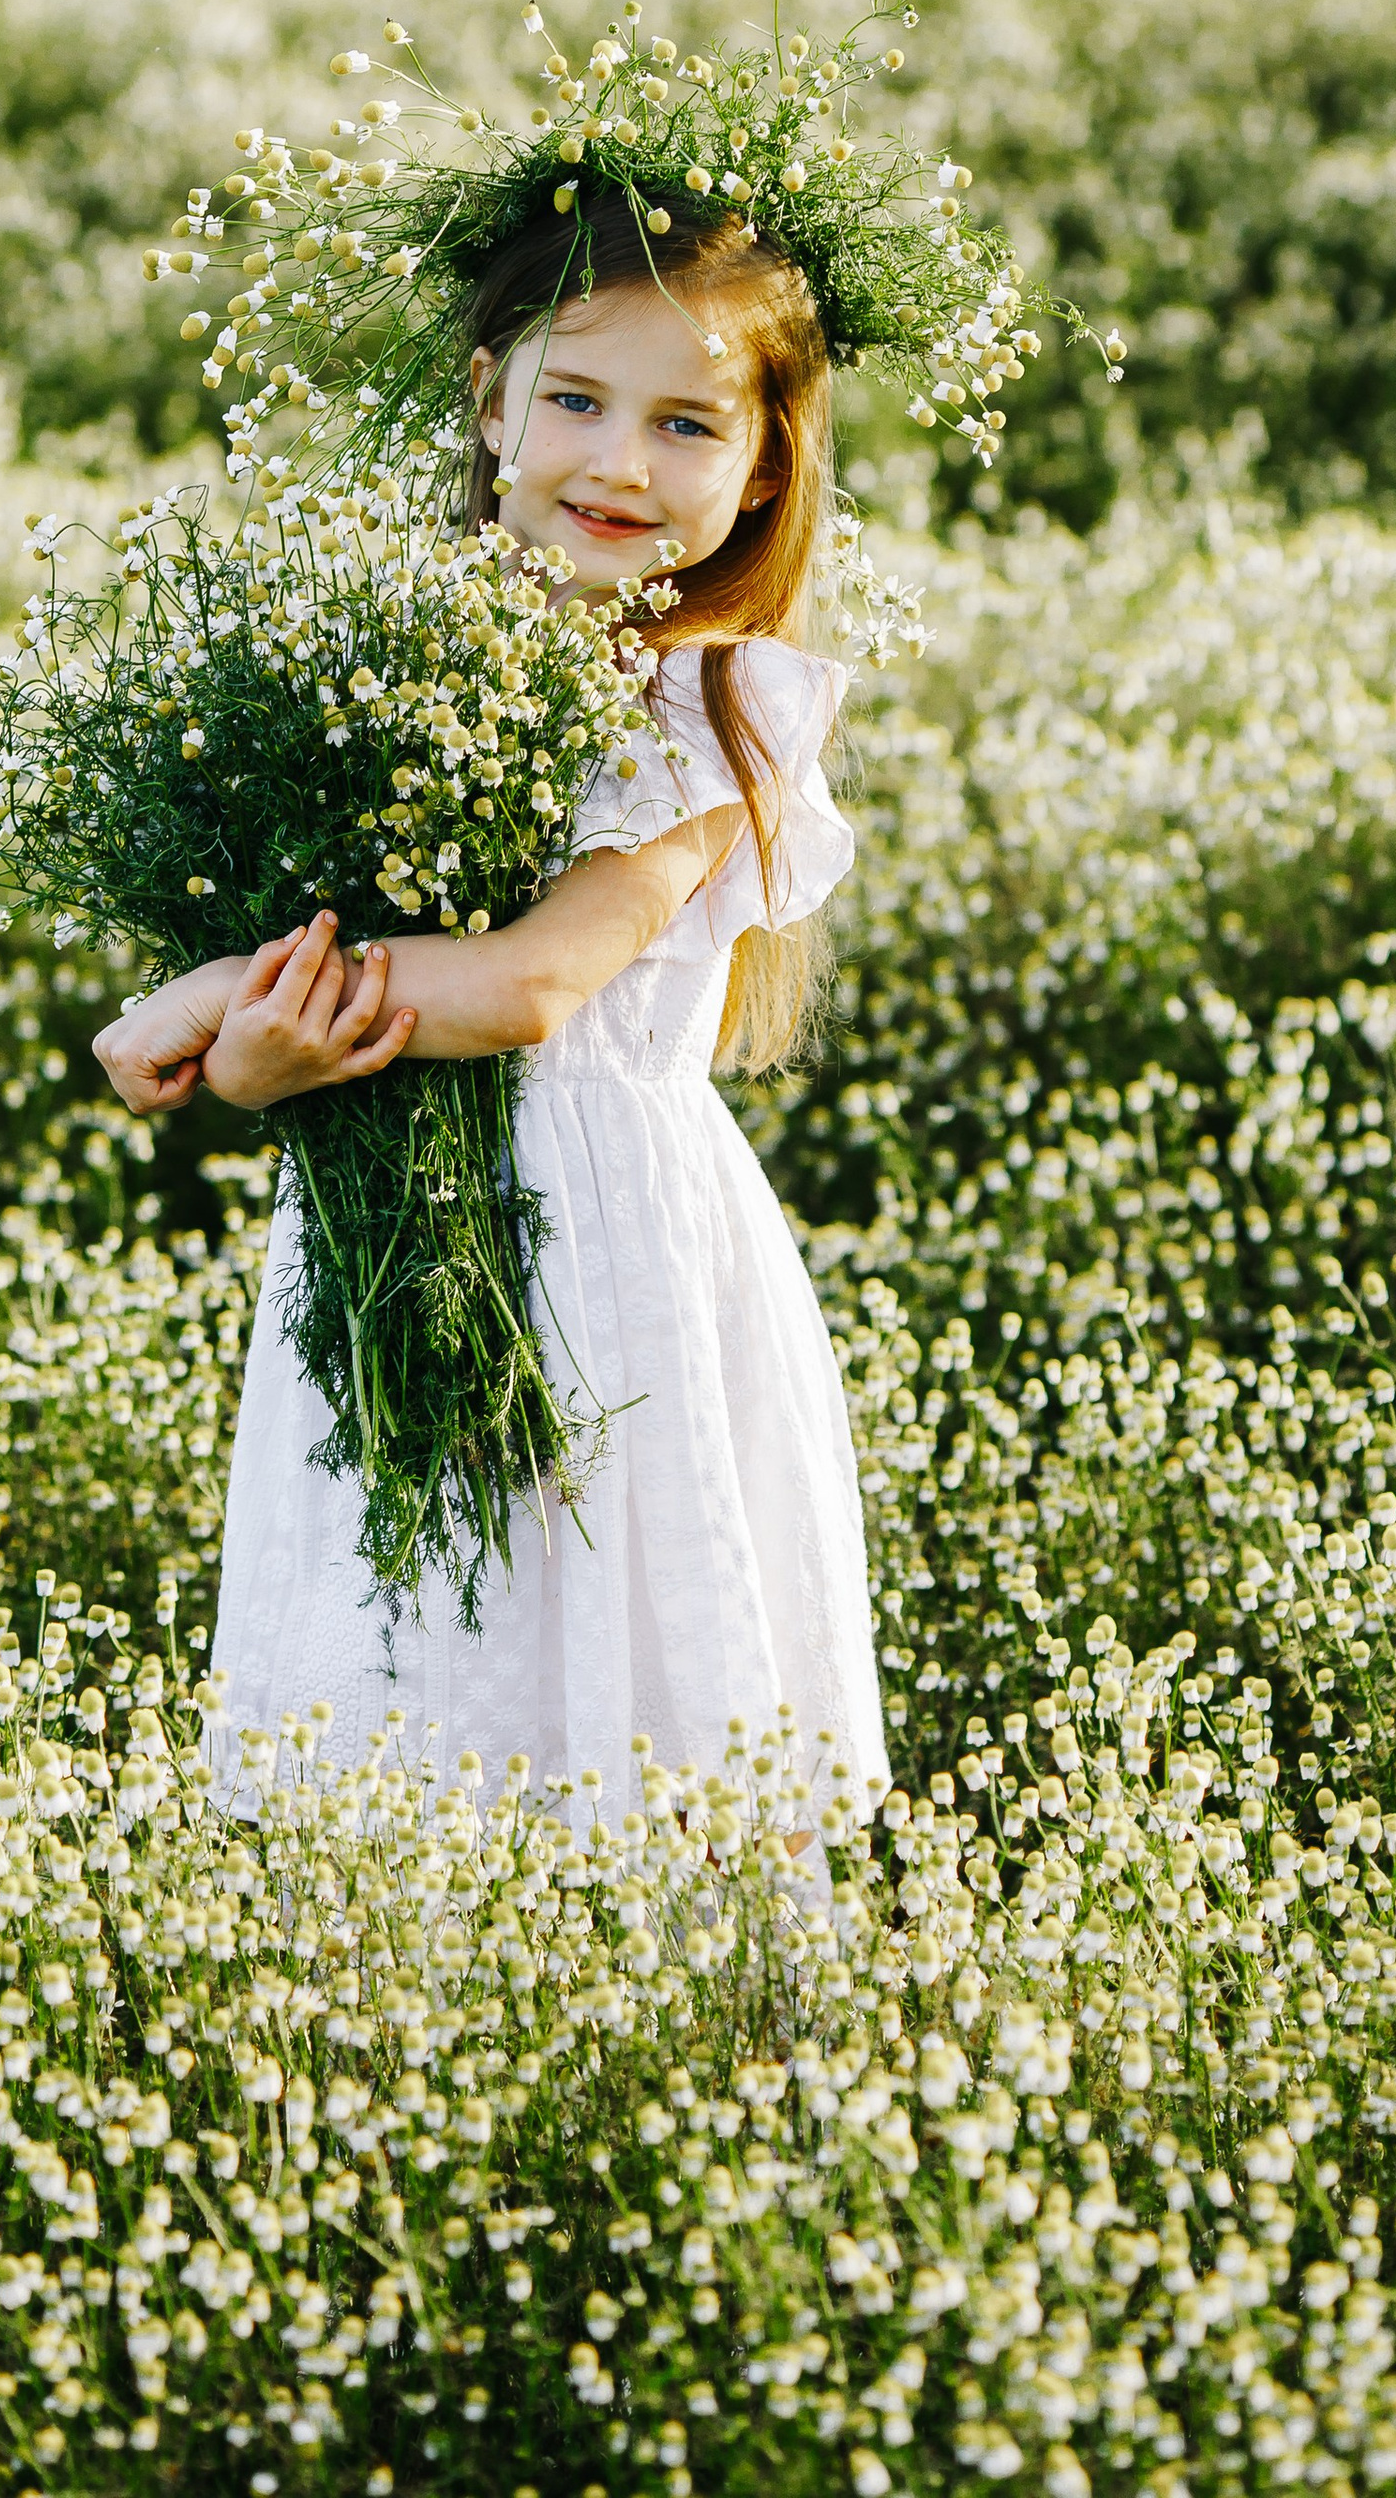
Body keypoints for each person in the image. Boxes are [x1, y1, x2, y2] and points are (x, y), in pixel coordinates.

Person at [93, 187, 889, 1832]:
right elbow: (338, 982)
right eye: (577, 399)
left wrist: (204, 998)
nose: (619, 464)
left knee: (602, 1636)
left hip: (606, 1250)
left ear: (762, 470)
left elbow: (529, 985)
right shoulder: (378, 659)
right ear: (489, 402)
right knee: (400, 1643)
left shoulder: (715, 699)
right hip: (394, 1237)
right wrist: (258, 1061)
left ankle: (649, 2043)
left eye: (686, 424)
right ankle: (407, 2026)